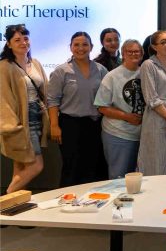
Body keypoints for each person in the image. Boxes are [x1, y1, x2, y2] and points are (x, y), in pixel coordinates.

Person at [48, 32, 108, 187]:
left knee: (94, 166)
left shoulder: (101, 70)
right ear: (70, 47)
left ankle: (92, 199)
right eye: (76, 45)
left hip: (95, 125)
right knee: (72, 167)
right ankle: (68, 199)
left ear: (91, 47)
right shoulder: (61, 71)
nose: (81, 48)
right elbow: (52, 100)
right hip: (70, 126)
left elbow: (107, 97)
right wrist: (54, 125)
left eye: (85, 44)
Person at [0, 24, 49, 193]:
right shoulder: (4, 66)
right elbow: (3, 98)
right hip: (21, 121)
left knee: (20, 168)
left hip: (38, 117)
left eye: (26, 38)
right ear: (8, 44)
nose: (23, 42)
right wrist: (12, 126)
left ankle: (14, 205)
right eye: (17, 40)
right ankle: (6, 198)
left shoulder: (35, 63)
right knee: (36, 165)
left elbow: (45, 90)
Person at [94, 39, 145, 179]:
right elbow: (102, 107)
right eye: (130, 51)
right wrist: (127, 117)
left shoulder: (145, 73)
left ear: (142, 54)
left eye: (137, 51)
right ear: (123, 54)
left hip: (142, 135)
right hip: (118, 134)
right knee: (118, 177)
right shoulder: (112, 76)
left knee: (138, 178)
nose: (134, 54)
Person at [137, 30, 166, 175]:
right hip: (156, 118)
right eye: (164, 42)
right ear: (154, 47)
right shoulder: (148, 65)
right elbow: (151, 98)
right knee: (156, 160)